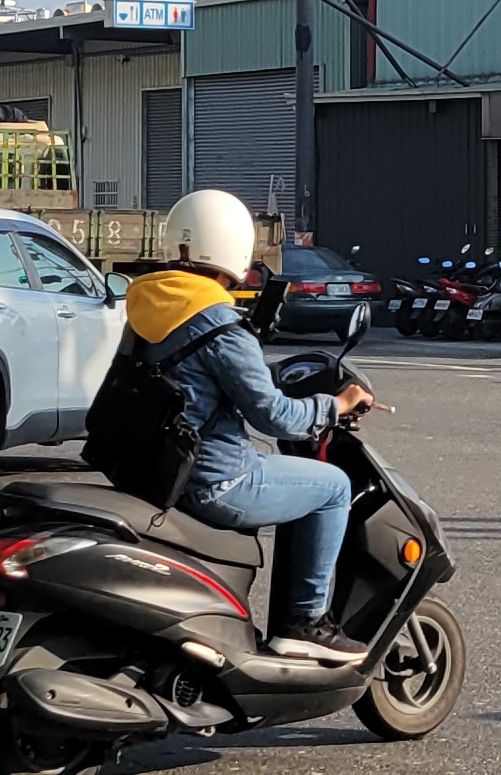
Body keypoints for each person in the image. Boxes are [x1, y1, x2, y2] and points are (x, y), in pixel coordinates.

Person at [108, 189, 377, 661]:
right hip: (214, 481)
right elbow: (273, 415)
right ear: (233, 248)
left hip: (152, 473)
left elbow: (197, 384)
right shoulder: (220, 324)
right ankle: (306, 622)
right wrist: (335, 406)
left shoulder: (146, 308)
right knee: (333, 485)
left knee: (288, 475)